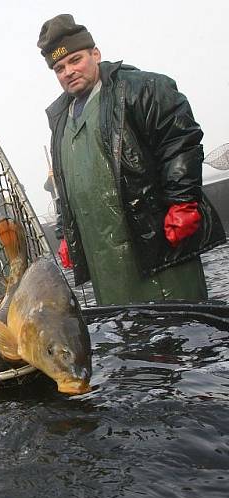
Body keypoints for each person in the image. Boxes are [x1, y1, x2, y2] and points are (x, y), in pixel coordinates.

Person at [38, 14, 225, 305]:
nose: (68, 71)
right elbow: (65, 186)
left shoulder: (140, 88)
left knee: (181, 332)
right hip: (106, 268)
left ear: (95, 54)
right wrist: (65, 232)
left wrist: (183, 200)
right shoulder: (60, 120)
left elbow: (179, 138)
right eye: (59, 68)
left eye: (75, 60)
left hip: (157, 249)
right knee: (128, 341)